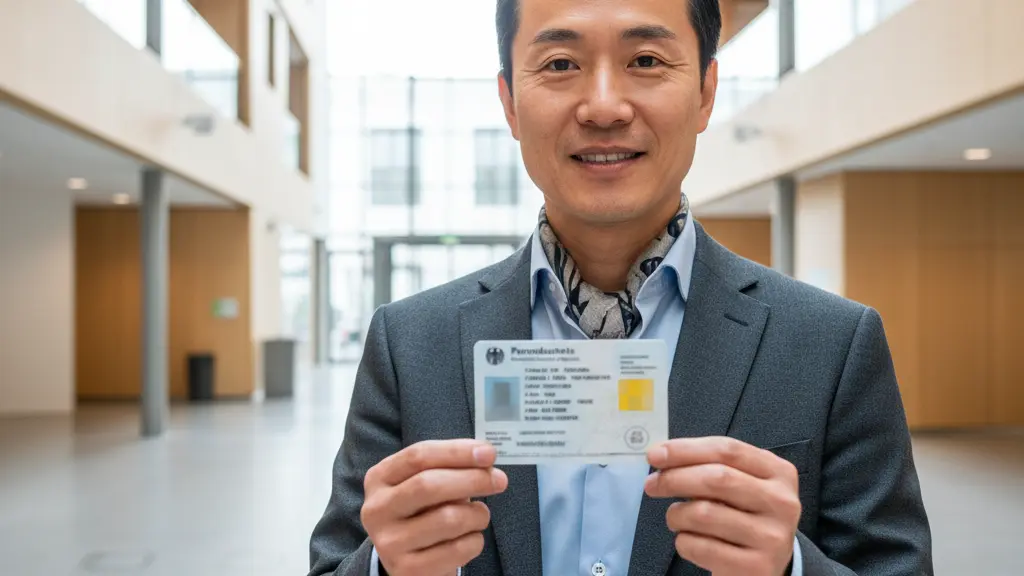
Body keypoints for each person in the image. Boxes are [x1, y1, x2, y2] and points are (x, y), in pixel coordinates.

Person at [308, 0, 933, 574]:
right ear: (509, 104)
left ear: (706, 91)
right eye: (560, 63)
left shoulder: (831, 344)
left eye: (645, 60)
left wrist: (793, 566)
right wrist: (380, 567)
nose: (604, 106)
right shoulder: (410, 342)